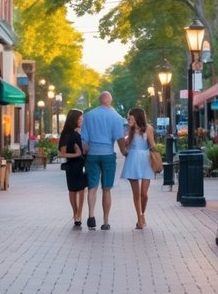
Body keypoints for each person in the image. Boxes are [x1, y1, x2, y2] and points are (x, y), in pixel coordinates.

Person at [81, 90, 125, 230]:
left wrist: (86, 151)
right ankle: (105, 222)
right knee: (106, 189)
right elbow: (120, 138)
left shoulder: (88, 116)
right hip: (107, 154)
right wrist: (124, 152)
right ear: (110, 101)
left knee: (92, 187)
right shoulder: (116, 117)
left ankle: (91, 216)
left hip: (92, 154)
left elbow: (84, 142)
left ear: (100, 100)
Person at [118, 107, 155, 230]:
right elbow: (125, 148)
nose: (129, 118)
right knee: (136, 194)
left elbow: (152, 144)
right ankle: (139, 219)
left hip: (145, 160)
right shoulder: (130, 130)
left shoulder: (148, 128)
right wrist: (124, 145)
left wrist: (157, 158)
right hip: (132, 160)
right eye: (128, 116)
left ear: (137, 116)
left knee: (144, 194)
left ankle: (142, 214)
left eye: (131, 116)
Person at [57, 109, 86, 228]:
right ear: (73, 119)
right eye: (79, 119)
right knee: (73, 190)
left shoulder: (80, 132)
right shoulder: (67, 134)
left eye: (82, 118)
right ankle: (75, 213)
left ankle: (79, 213)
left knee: (82, 190)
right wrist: (76, 154)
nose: (81, 120)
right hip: (72, 165)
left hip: (81, 164)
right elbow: (61, 153)